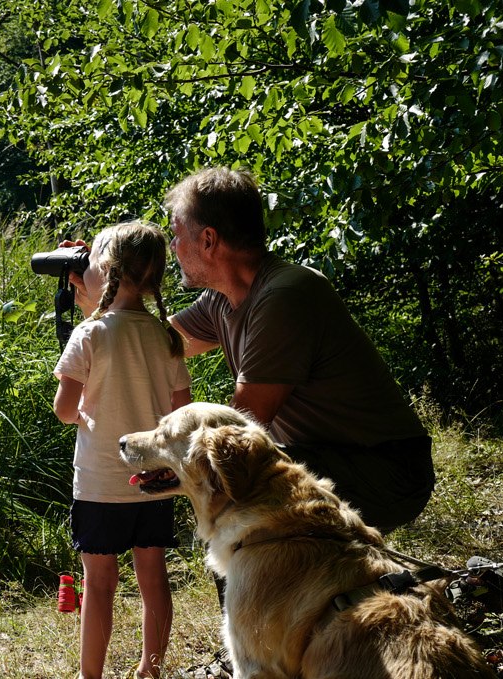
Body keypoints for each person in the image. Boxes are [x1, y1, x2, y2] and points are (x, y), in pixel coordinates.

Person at [164, 166, 435, 534]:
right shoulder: (221, 300)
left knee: (233, 480)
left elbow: (242, 423)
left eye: (176, 235)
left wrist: (168, 453)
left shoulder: (284, 296)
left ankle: (268, 592)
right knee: (233, 476)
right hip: (333, 458)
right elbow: (153, 345)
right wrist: (107, 287)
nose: (172, 248)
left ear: (209, 239)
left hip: (384, 470)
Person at [54, 221, 192, 679]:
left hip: (98, 482)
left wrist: (87, 416)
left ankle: (90, 676)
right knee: (154, 577)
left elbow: (64, 409)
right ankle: (150, 670)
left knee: (99, 584)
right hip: (153, 481)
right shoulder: (166, 337)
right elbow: (181, 415)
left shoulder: (89, 335)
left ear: (107, 269)